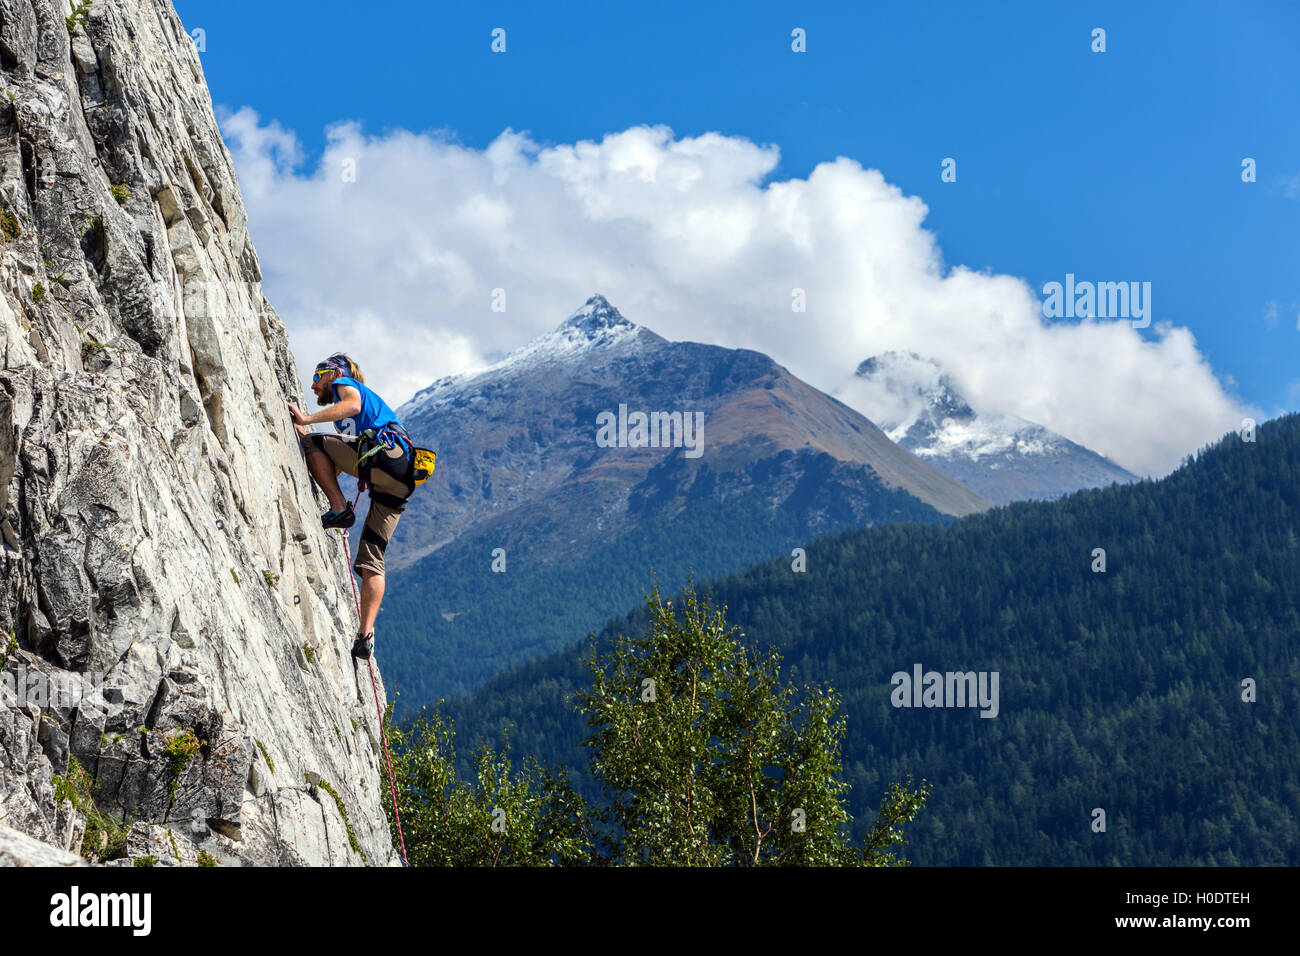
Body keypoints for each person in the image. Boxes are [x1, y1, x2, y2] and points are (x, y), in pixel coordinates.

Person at [288, 353, 413, 661]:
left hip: (384, 455)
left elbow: (352, 405)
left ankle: (340, 508)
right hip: (401, 476)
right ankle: (365, 635)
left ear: (334, 373)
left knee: (313, 442)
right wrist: (317, 447)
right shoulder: (357, 421)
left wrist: (306, 424)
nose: (314, 385)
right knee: (372, 560)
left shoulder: (347, 385)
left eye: (318, 377)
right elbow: (339, 457)